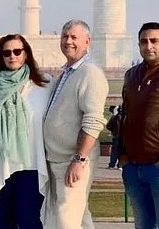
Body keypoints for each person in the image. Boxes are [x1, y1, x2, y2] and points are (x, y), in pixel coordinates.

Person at [0, 34, 54, 228]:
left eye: (17, 51)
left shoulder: (44, 86)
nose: (12, 56)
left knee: (29, 221)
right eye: (7, 52)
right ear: (1, 56)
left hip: (30, 165)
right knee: (2, 222)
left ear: (26, 54)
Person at [43, 19, 108, 229]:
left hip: (74, 160)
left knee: (66, 221)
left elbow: (93, 121)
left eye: (74, 37)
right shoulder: (68, 73)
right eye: (65, 36)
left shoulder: (90, 73)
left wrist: (79, 159)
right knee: (77, 218)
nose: (68, 41)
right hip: (57, 159)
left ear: (87, 41)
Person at [118, 22, 159, 228]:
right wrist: (122, 156)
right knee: (142, 225)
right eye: (144, 41)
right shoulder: (131, 75)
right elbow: (124, 114)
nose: (148, 46)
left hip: (156, 166)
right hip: (133, 167)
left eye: (154, 41)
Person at [106, 105, 121, 169]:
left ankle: (112, 165)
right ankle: (120, 165)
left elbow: (108, 126)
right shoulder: (127, 116)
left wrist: (113, 130)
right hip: (124, 137)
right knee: (122, 151)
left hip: (116, 136)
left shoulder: (114, 117)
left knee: (114, 151)